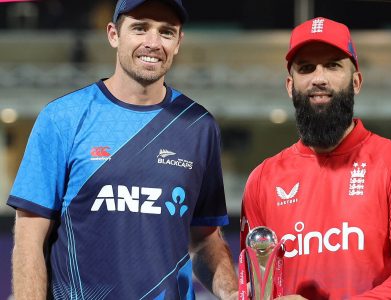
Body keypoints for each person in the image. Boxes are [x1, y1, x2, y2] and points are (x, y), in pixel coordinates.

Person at [8, 0, 238, 299]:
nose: (153, 43)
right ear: (113, 34)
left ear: (179, 42)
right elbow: (29, 239)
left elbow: (204, 238)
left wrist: (234, 293)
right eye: (140, 28)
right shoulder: (63, 118)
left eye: (166, 32)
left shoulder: (199, 126)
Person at [240, 17, 391, 299]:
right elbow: (256, 287)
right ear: (289, 86)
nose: (319, 78)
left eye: (333, 65)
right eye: (306, 68)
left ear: (356, 81)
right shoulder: (262, 180)